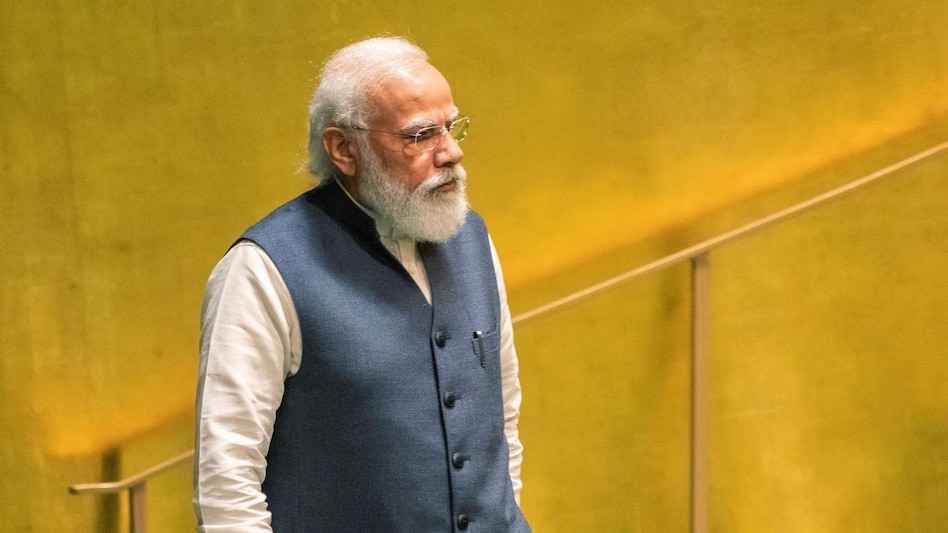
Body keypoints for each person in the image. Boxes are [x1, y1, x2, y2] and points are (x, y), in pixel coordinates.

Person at [193, 36, 531, 532]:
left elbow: (502, 421)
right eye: (420, 136)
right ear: (344, 149)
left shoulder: (474, 239)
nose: (451, 152)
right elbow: (227, 481)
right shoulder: (261, 269)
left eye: (451, 126)